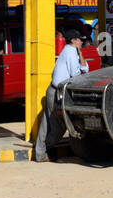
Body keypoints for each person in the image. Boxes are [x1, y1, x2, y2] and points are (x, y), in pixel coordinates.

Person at [34, 28, 88, 162]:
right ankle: (43, 150)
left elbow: (85, 68)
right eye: (80, 40)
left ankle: (40, 153)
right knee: (60, 126)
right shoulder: (70, 52)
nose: (82, 42)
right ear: (73, 40)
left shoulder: (72, 51)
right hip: (56, 92)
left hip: (55, 90)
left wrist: (80, 53)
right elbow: (76, 74)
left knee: (47, 123)